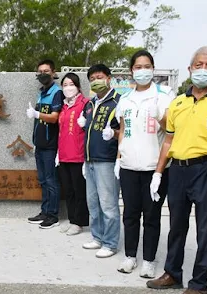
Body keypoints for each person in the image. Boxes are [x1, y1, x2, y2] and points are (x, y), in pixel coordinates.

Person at [146, 46, 207, 294]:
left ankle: (199, 283)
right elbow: (168, 139)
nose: (203, 69)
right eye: (199, 64)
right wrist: (158, 172)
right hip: (178, 170)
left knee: (206, 229)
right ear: (190, 69)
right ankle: (172, 273)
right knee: (176, 225)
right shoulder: (178, 102)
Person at [114, 50, 175, 277]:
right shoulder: (126, 98)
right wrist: (119, 158)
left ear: (153, 68)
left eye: (147, 66)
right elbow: (122, 130)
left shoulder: (163, 94)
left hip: (154, 169)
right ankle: (130, 256)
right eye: (138, 67)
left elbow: (171, 129)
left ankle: (149, 260)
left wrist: (159, 116)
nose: (142, 70)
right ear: (132, 71)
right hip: (129, 167)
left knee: (151, 216)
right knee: (130, 214)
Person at [77, 64, 121, 258]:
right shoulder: (90, 103)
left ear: (109, 78)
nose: (96, 81)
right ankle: (97, 237)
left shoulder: (118, 101)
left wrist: (114, 133)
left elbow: (125, 131)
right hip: (90, 160)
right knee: (93, 203)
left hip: (107, 161)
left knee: (108, 204)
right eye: (92, 78)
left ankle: (110, 243)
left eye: (100, 77)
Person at [25, 59, 64, 229]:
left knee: (51, 180)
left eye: (46, 71)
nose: (43, 74)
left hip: (50, 145)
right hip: (40, 145)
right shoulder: (41, 92)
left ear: (53, 72)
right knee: (43, 180)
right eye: (40, 71)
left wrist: (36, 114)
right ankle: (45, 210)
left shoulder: (57, 92)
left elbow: (55, 118)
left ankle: (53, 215)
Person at [56, 73, 89, 236]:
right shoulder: (63, 107)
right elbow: (61, 131)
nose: (68, 88)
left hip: (78, 155)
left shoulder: (85, 104)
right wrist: (57, 153)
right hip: (63, 155)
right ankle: (72, 219)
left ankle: (79, 222)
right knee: (68, 190)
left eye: (71, 84)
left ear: (77, 86)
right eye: (65, 85)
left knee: (79, 191)